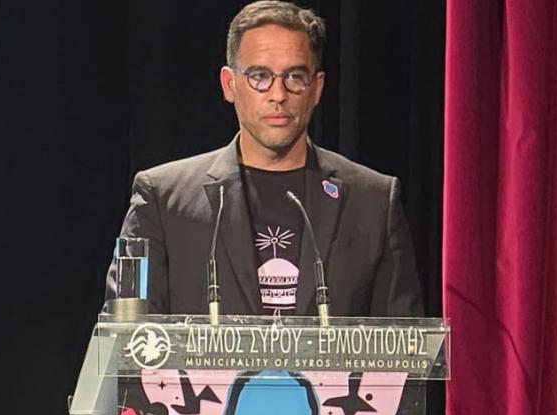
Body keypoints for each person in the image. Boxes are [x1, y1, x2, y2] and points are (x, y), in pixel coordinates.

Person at [106, 0, 422, 317]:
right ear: (229, 85)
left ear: (317, 88)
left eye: (295, 76)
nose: (278, 94)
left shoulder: (373, 201)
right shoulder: (163, 200)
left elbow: (405, 341)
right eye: (260, 76)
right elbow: (128, 334)